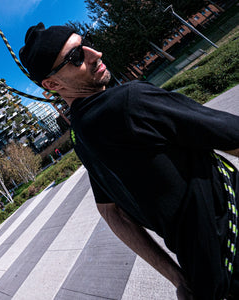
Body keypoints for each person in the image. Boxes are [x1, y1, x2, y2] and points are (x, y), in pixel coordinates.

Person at [19, 22, 239, 299]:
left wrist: (178, 278)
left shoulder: (81, 136)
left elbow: (111, 213)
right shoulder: (130, 101)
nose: (95, 53)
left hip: (209, 279)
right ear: (52, 84)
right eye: (76, 57)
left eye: (86, 43)